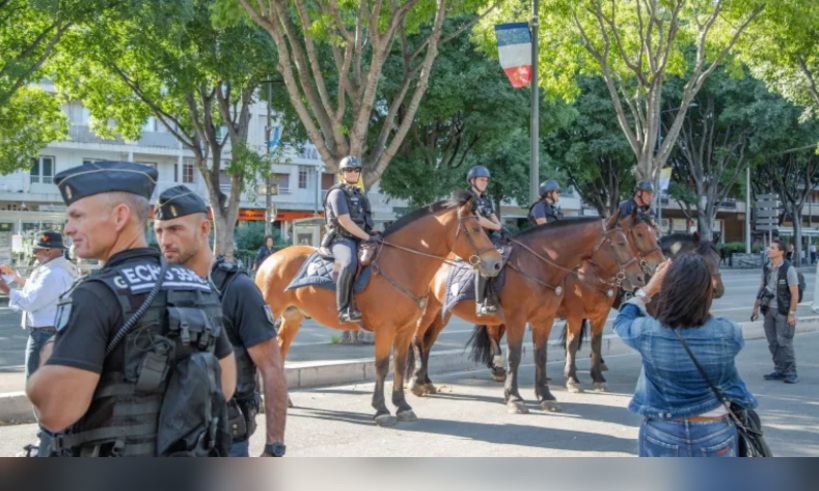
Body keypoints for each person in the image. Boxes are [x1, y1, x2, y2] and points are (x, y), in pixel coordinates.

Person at [26, 161, 237, 457]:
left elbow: (55, 412)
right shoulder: (199, 286)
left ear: (119, 216)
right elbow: (225, 386)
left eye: (77, 216)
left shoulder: (97, 294)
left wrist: (47, 355)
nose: (68, 229)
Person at [154, 185, 288, 457]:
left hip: (226, 440)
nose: (165, 239)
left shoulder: (237, 289)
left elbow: (272, 368)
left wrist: (274, 447)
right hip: (165, 439)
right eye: (159, 230)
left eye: (176, 229)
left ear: (204, 228)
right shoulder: (155, 289)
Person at [614, 255, 758, 457]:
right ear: (707, 291)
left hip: (662, 430)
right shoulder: (729, 332)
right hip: (715, 430)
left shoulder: (648, 332)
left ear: (668, 289)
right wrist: (697, 301)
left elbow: (622, 320)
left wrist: (648, 290)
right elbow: (709, 322)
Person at [0, 231, 78, 379]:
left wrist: (4, 288)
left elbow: (30, 302)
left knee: (36, 382)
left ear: (48, 250)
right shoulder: (59, 267)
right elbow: (36, 289)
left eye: (36, 250)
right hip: (52, 332)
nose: (34, 253)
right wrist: (15, 277)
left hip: (44, 335)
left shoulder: (52, 273)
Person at [322, 156, 380, 323]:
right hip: (340, 239)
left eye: (356, 170)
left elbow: (365, 221)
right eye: (349, 170)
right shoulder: (337, 193)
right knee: (349, 262)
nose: (353, 172)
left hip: (358, 238)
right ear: (342, 173)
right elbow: (344, 221)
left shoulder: (359, 194)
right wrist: (368, 237)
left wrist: (374, 234)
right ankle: (343, 310)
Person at [751, 240, 799, 384]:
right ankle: (780, 370)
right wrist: (755, 308)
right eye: (769, 247)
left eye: (772, 248)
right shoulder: (766, 268)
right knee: (773, 342)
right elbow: (761, 289)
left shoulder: (788, 269)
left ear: (781, 252)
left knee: (784, 342)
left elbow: (794, 294)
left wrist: (791, 314)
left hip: (782, 311)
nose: (768, 250)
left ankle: (791, 372)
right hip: (768, 310)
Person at [465, 165, 503, 316]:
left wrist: (500, 226)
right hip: (473, 237)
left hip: (488, 235)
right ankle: (480, 303)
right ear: (472, 180)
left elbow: (492, 214)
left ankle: (496, 295)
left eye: (486, 180)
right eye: (481, 180)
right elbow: (478, 220)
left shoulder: (486, 198)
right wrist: (497, 226)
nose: (484, 183)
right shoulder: (468, 198)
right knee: (484, 263)